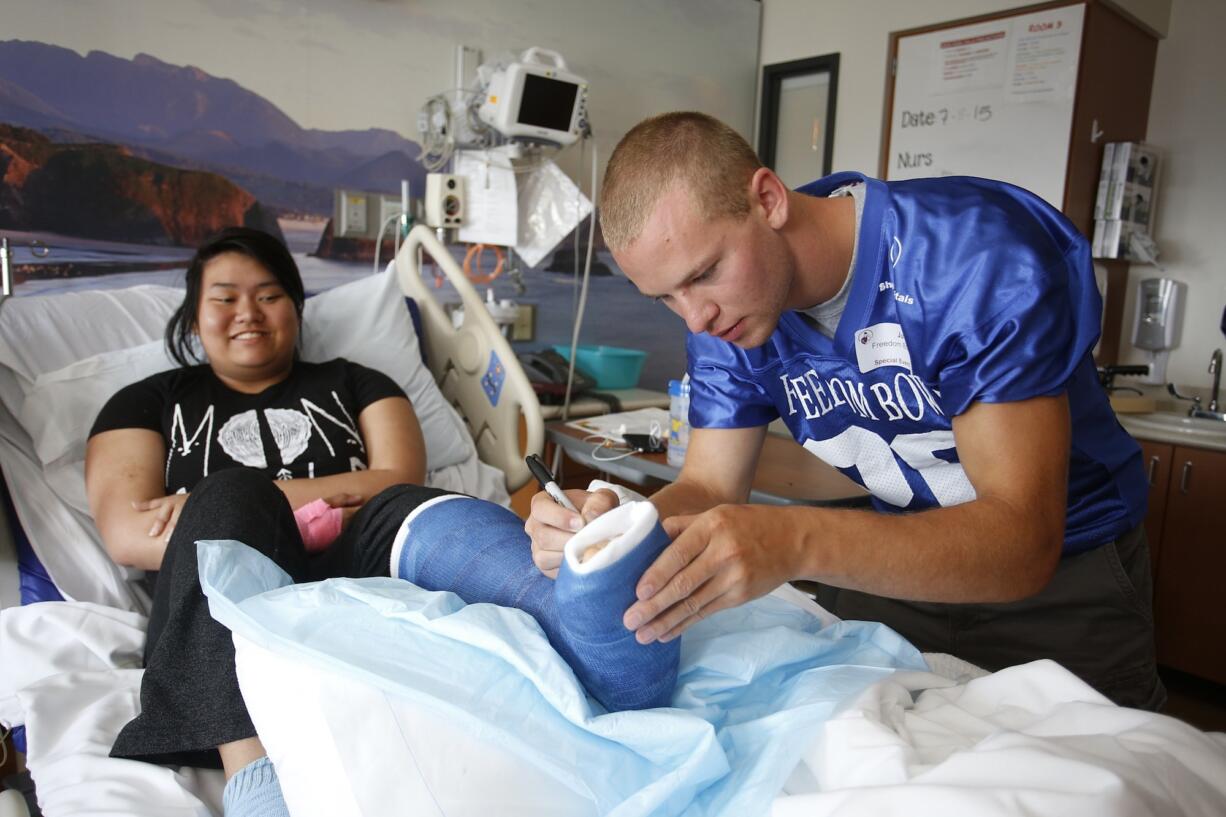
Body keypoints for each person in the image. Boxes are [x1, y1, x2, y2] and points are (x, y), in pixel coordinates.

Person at [526, 111, 1164, 711]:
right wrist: (614, 535)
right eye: (666, 297)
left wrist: (794, 539)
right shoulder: (722, 319)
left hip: (1067, 582)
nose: (696, 317)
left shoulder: (972, 258)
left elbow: (1021, 541)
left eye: (706, 273)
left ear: (768, 199)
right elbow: (709, 486)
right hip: (902, 569)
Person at [85, 227, 441, 816]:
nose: (247, 312)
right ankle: (256, 786)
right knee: (228, 496)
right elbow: (130, 535)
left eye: (269, 295)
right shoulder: (148, 402)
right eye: (224, 298)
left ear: (296, 310)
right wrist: (241, 506)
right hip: (213, 618)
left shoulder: (357, 383)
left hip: (351, 586)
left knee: (420, 512)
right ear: (194, 319)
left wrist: (210, 504)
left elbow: (399, 481)